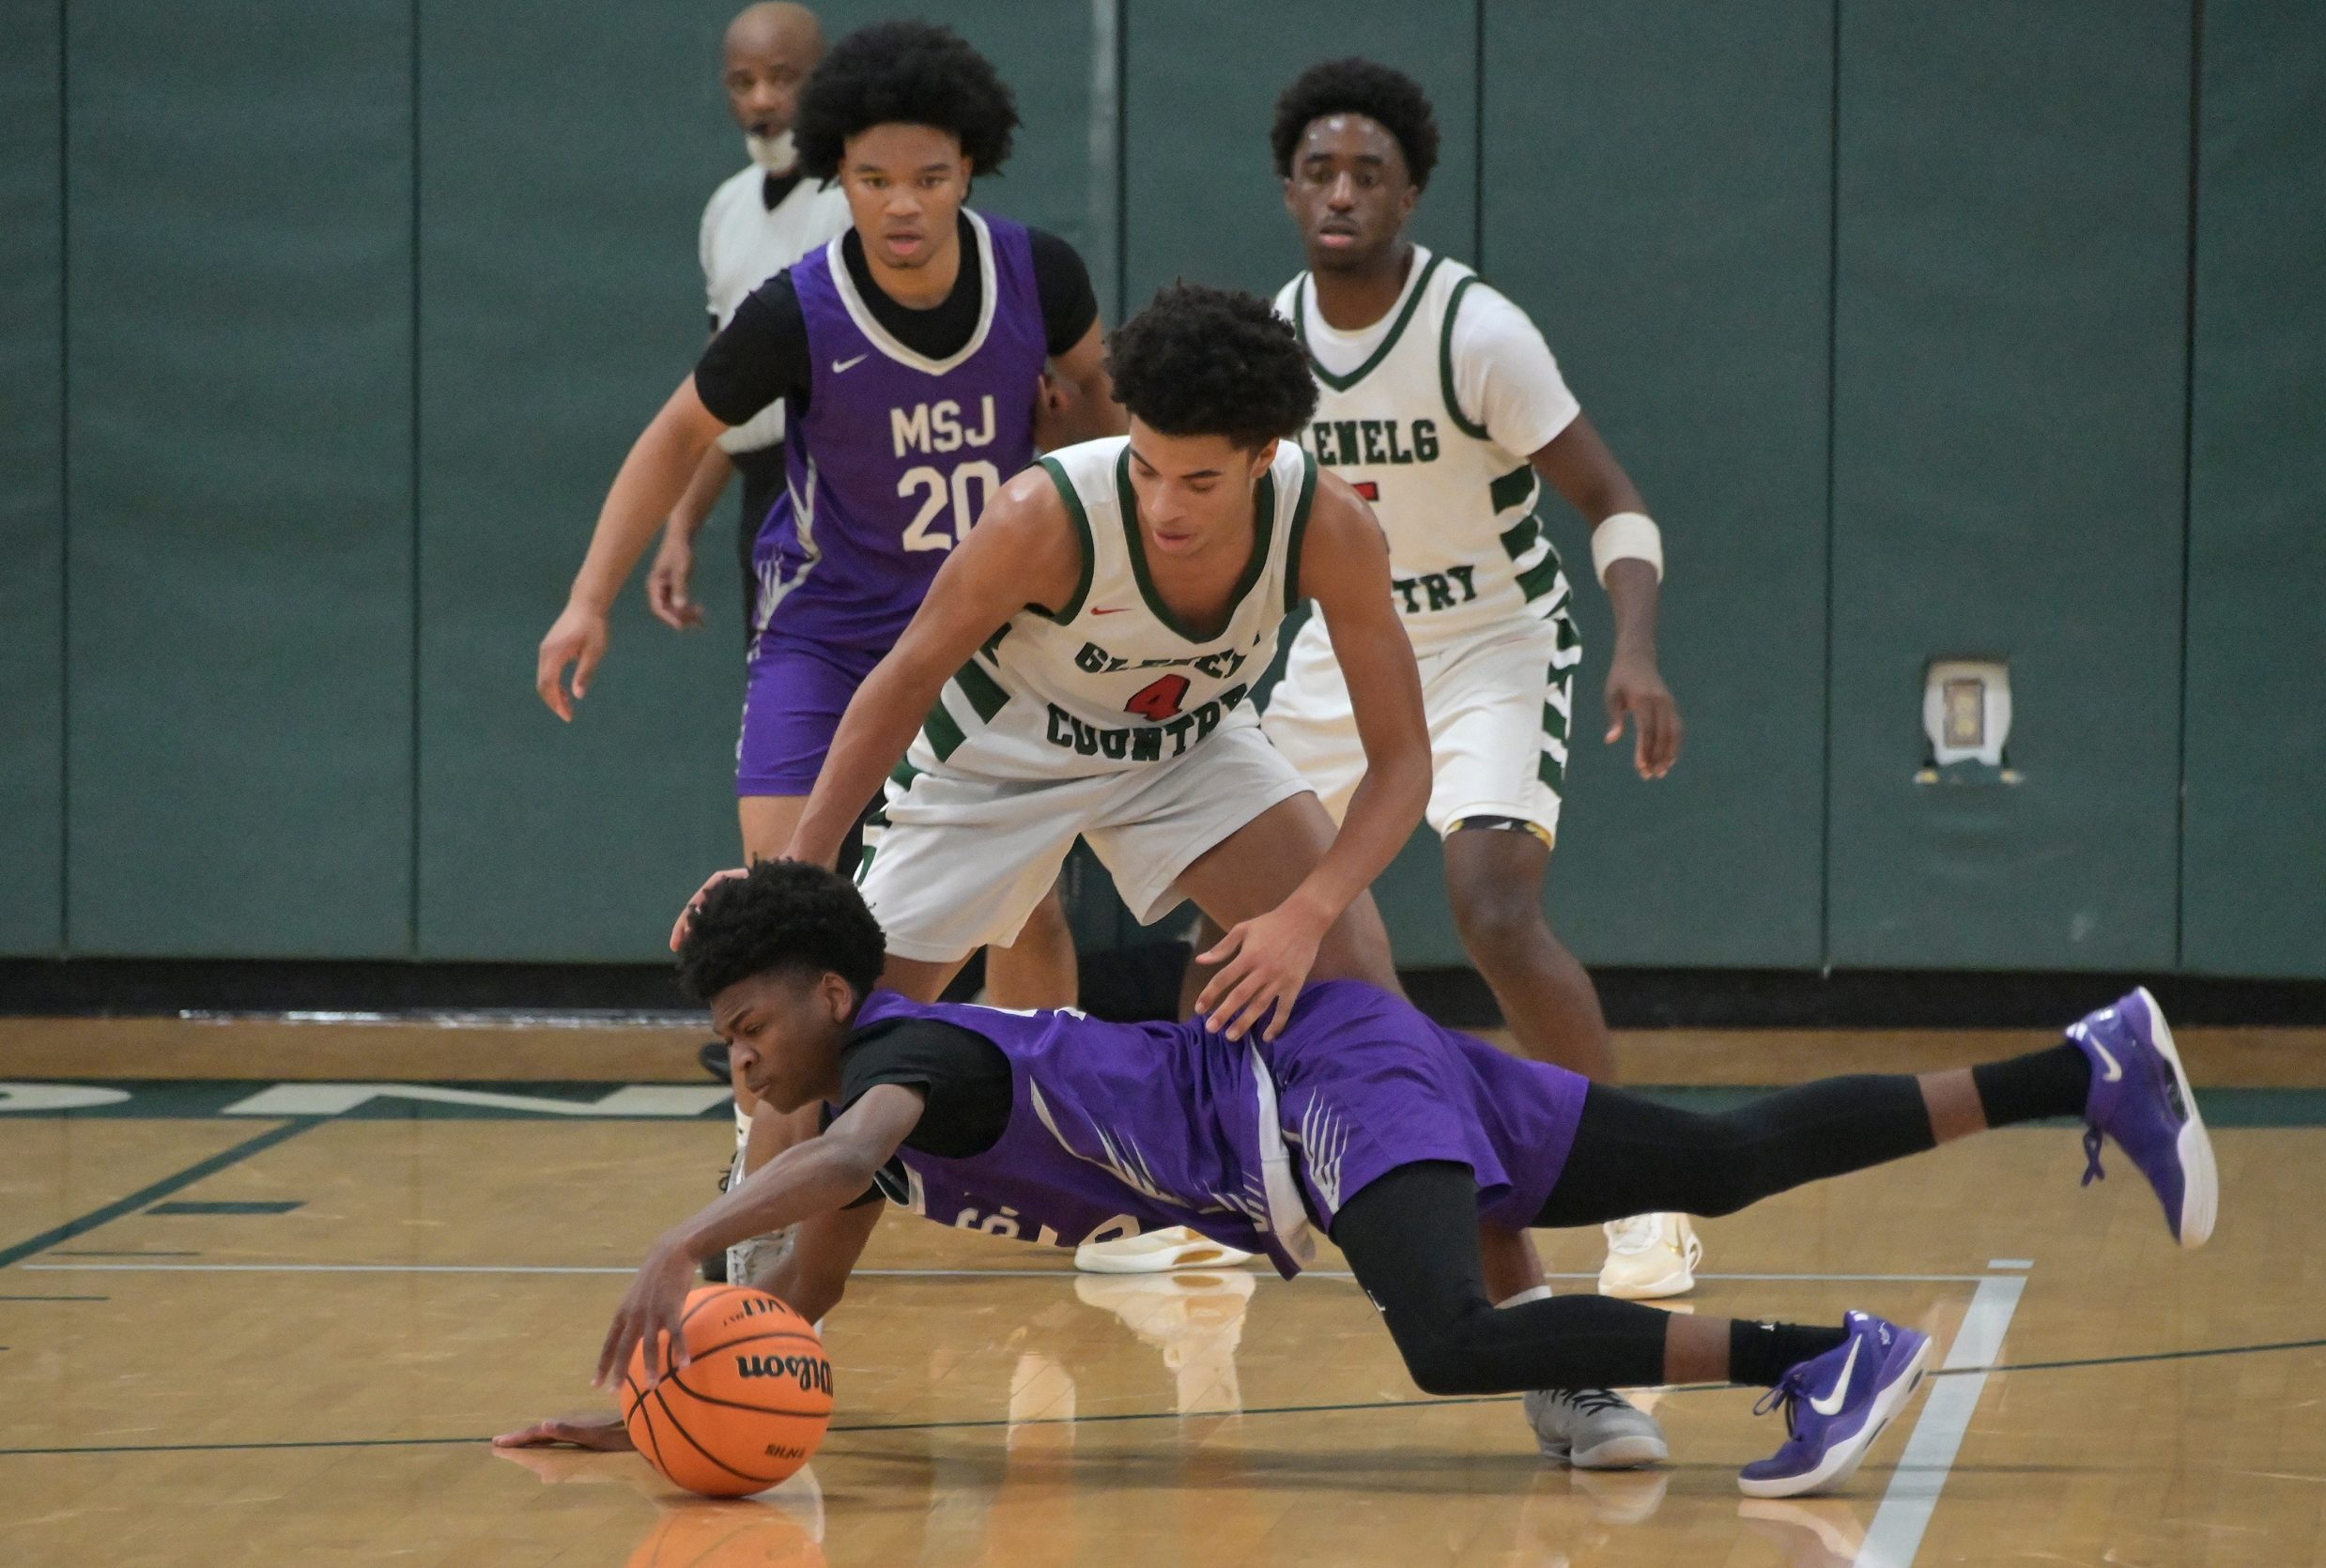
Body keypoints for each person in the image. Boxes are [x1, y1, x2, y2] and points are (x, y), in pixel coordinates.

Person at [669, 278, 1661, 1465]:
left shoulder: (1330, 525)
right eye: (1145, 467)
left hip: (1186, 751)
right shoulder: (1044, 513)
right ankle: (723, 1332)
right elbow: (901, 680)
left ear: (1263, 457)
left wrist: (1305, 912)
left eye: (1198, 478)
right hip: (997, 762)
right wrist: (798, 881)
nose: (1165, 502)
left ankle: (1555, 1360)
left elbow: (1401, 765)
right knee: (825, 1057)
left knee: (1383, 1026)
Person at [497, 859, 2221, 1500]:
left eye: (741, 1029)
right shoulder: (858, 1126)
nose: (737, 1062)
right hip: (1333, 1078)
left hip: (1313, 1089)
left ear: (819, 994)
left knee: (1453, 1340)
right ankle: (2087, 1065)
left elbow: (846, 1157)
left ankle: (1814, 1358)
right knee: (1723, 1153)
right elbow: (795, 1312)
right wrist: (658, 1399)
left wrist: (678, 1231)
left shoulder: (899, 1068)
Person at [535, 19, 1115, 1272]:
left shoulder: (1042, 277)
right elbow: (672, 436)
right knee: (789, 935)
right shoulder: (795, 309)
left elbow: (1112, 419)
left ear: (973, 168)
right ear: (837, 174)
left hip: (992, 640)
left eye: (929, 178)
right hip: (830, 636)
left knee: (1030, 914)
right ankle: (761, 1203)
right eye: (872, 180)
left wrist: (1078, 439)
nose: (902, 207)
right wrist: (590, 594)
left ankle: (1069, 1160)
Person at [1252, 58, 1700, 1301]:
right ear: (1290, 191)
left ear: (1410, 195)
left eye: (1369, 174)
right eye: (1320, 172)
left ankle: (1642, 1192)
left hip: (1495, 643)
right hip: (1344, 651)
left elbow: (1615, 501)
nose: (1343, 192)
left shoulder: (1477, 332)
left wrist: (1637, 648)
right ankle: (1226, 1189)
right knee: (1233, 920)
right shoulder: (1273, 344)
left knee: (1492, 906)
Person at [645, 4, 850, 655]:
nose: (764, 100)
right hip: (767, 494)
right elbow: (721, 388)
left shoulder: (859, 201)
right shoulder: (726, 210)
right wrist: (682, 526)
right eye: (743, 82)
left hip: (853, 484)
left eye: (783, 77)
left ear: (824, 78)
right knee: (781, 715)